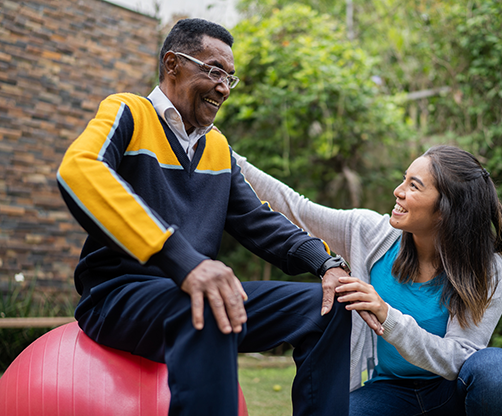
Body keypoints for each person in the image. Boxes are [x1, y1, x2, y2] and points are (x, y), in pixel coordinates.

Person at [56, 18, 354, 416]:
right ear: (172, 64)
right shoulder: (128, 111)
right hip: (118, 297)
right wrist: (184, 261)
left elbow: (259, 221)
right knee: (210, 299)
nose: (224, 87)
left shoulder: (217, 147)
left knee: (331, 306)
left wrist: (325, 263)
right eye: (214, 71)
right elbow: (79, 170)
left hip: (196, 298)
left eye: (230, 77)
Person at [234, 145, 502, 415]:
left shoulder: (486, 267)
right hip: (390, 392)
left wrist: (388, 317)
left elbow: (459, 358)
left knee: (498, 371)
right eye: (404, 179)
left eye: (414, 186)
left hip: (452, 393)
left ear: (446, 210)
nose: (398, 191)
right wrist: (229, 158)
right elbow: (297, 209)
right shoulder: (370, 233)